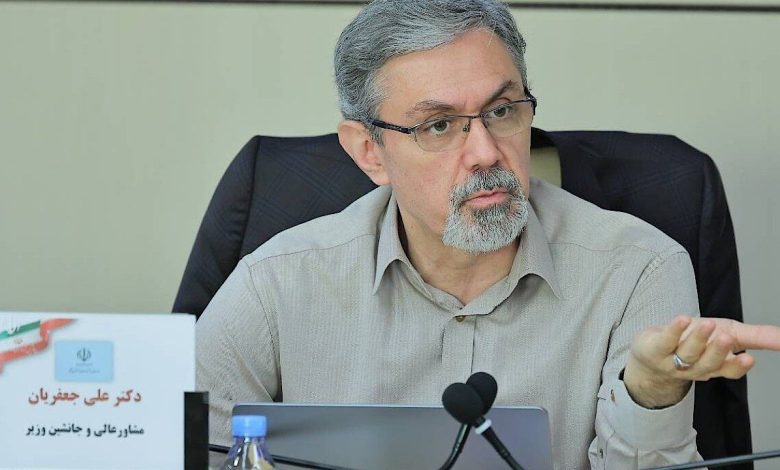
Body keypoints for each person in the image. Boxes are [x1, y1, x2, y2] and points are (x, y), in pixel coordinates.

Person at [196, 0, 780, 468]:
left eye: (501, 112)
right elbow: (186, 453)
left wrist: (648, 392)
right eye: (438, 125)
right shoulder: (276, 282)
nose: (485, 153)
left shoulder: (638, 268)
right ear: (369, 151)